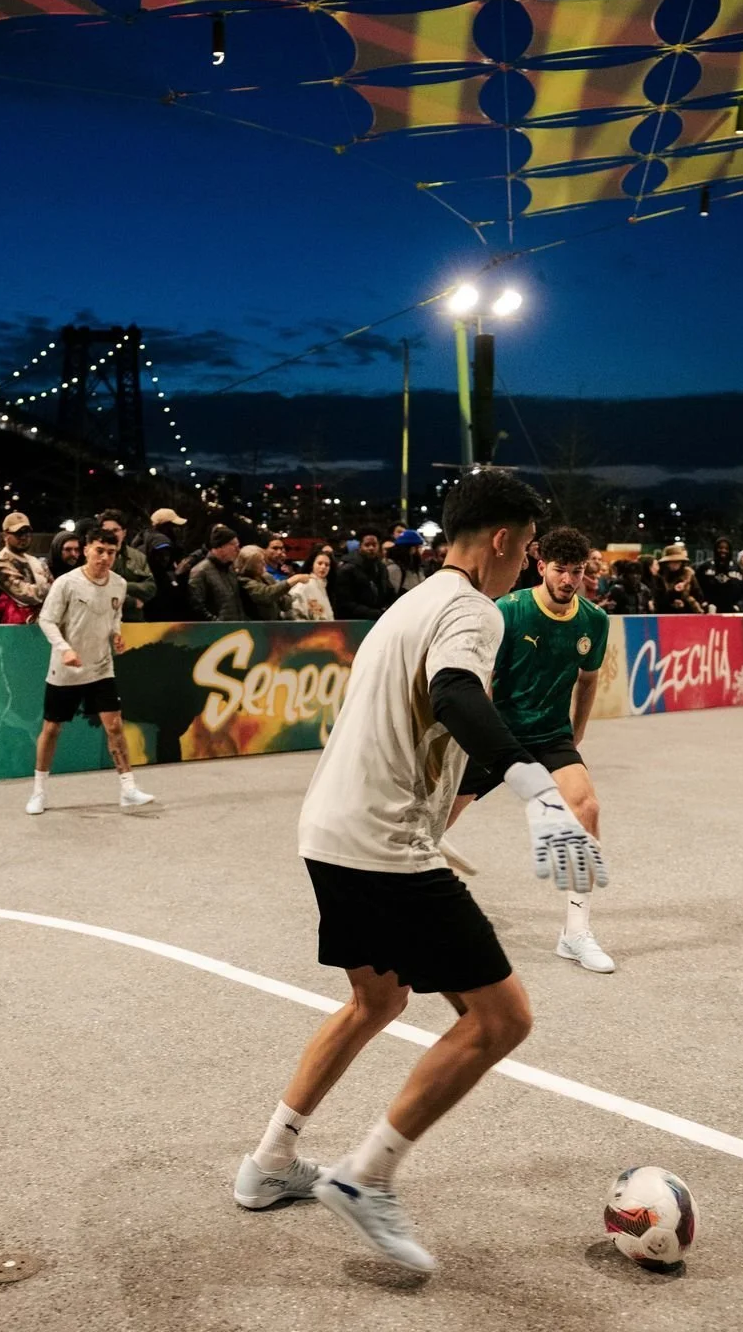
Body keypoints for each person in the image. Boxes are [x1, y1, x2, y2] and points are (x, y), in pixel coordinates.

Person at [233, 471, 605, 1274]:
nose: (528, 563)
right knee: (501, 1019)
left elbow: (427, 719)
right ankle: (366, 1179)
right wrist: (537, 787)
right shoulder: (471, 609)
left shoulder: (409, 603)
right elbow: (454, 696)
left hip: (326, 828)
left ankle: (268, 1163)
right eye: (529, 547)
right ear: (504, 541)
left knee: (377, 997)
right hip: (384, 843)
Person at [448, 525, 613, 971]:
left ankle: (575, 934)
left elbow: (589, 678)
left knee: (587, 809)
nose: (568, 580)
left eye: (577, 572)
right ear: (541, 567)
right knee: (434, 823)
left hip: (551, 735)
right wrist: (483, 735)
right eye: (560, 570)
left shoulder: (594, 621)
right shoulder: (509, 610)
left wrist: (576, 734)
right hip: (498, 734)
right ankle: (403, 904)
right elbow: (481, 678)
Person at [27, 526, 154, 815]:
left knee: (115, 726)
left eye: (111, 552)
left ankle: (128, 788)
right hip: (66, 670)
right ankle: (39, 791)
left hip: (101, 667)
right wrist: (64, 649)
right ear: (86, 550)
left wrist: (116, 634)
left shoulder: (119, 584)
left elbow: (115, 615)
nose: (105, 557)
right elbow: (46, 620)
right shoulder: (66, 583)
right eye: (99, 550)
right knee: (52, 728)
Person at [0, 511, 51, 623]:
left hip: (37, 626)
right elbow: (26, 595)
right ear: (5, 535)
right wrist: (49, 590)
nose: (23, 537)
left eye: (27, 533)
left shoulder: (36, 561)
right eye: (18, 533)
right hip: (7, 630)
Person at [98, 509, 156, 622]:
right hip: (102, 622)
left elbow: (151, 588)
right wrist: (132, 602)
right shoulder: (94, 557)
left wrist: (122, 586)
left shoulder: (138, 557)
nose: (111, 535)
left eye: (115, 530)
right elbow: (95, 592)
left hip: (133, 623)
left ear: (124, 532)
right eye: (106, 531)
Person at [235, 545, 310, 619]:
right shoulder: (243, 580)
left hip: (274, 624)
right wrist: (293, 580)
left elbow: (285, 603)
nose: (264, 564)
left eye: (263, 560)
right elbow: (266, 594)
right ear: (249, 565)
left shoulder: (266, 577)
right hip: (254, 626)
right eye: (259, 562)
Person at [330, 529, 391, 620]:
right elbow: (344, 602)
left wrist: (386, 608)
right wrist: (371, 613)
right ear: (360, 546)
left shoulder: (381, 567)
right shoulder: (348, 569)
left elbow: (389, 591)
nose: (371, 548)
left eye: (374, 545)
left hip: (378, 620)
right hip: (354, 622)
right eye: (367, 545)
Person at [140, 508, 188, 621]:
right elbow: (161, 570)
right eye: (174, 526)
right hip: (161, 601)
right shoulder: (161, 542)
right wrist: (177, 574)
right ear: (165, 526)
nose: (178, 530)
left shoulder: (144, 538)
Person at [188, 526, 245, 621]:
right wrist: (216, 624)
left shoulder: (230, 568)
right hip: (217, 632)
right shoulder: (200, 571)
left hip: (235, 628)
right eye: (234, 545)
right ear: (220, 546)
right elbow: (197, 607)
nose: (238, 550)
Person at [695, 537, 743, 614]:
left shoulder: (737, 568)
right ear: (715, 549)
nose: (723, 551)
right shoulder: (705, 567)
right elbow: (696, 587)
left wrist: (739, 606)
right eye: (720, 548)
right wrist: (704, 603)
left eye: (726, 548)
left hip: (732, 611)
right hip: (709, 610)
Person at [652, 544, 704, 614]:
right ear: (666, 563)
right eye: (672, 561)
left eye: (678, 561)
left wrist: (685, 603)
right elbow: (657, 598)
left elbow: (699, 596)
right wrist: (672, 601)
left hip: (687, 614)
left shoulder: (688, 574)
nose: (676, 563)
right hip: (665, 615)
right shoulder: (659, 576)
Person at [289, 549, 334, 621]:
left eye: (327, 565)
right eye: (319, 563)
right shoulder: (304, 584)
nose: (323, 567)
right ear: (312, 565)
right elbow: (293, 608)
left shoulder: (323, 586)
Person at [387, 529, 426, 598]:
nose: (422, 551)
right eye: (420, 547)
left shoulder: (417, 568)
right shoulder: (394, 569)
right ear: (412, 549)